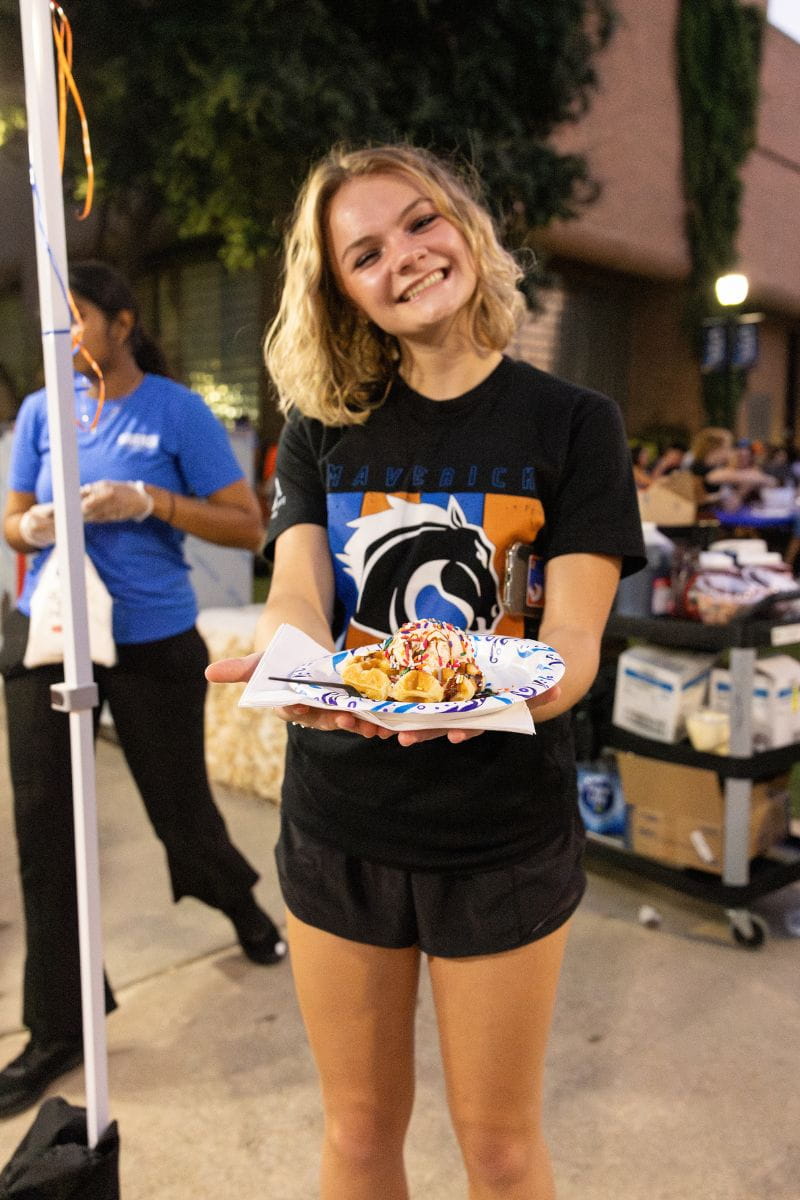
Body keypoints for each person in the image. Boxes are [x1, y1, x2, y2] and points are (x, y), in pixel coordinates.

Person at [207, 144, 645, 1199]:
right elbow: (299, 593)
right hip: (339, 819)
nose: (401, 258)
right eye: (363, 252)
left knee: (496, 1149)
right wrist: (292, 658)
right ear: (339, 289)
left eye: (416, 222)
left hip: (499, 831)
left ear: (462, 224)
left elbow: (575, 644)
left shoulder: (572, 423)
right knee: (357, 1134)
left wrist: (515, 689)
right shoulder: (322, 427)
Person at [0, 261, 286, 1120]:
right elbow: (10, 513)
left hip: (152, 637)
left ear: (121, 322)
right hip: (50, 633)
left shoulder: (175, 410)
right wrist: (32, 525)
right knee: (46, 827)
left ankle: (236, 901)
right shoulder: (41, 410)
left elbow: (248, 522)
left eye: (78, 316)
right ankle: (56, 1027)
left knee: (179, 808)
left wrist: (151, 501)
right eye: (56, 320)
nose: (66, 334)